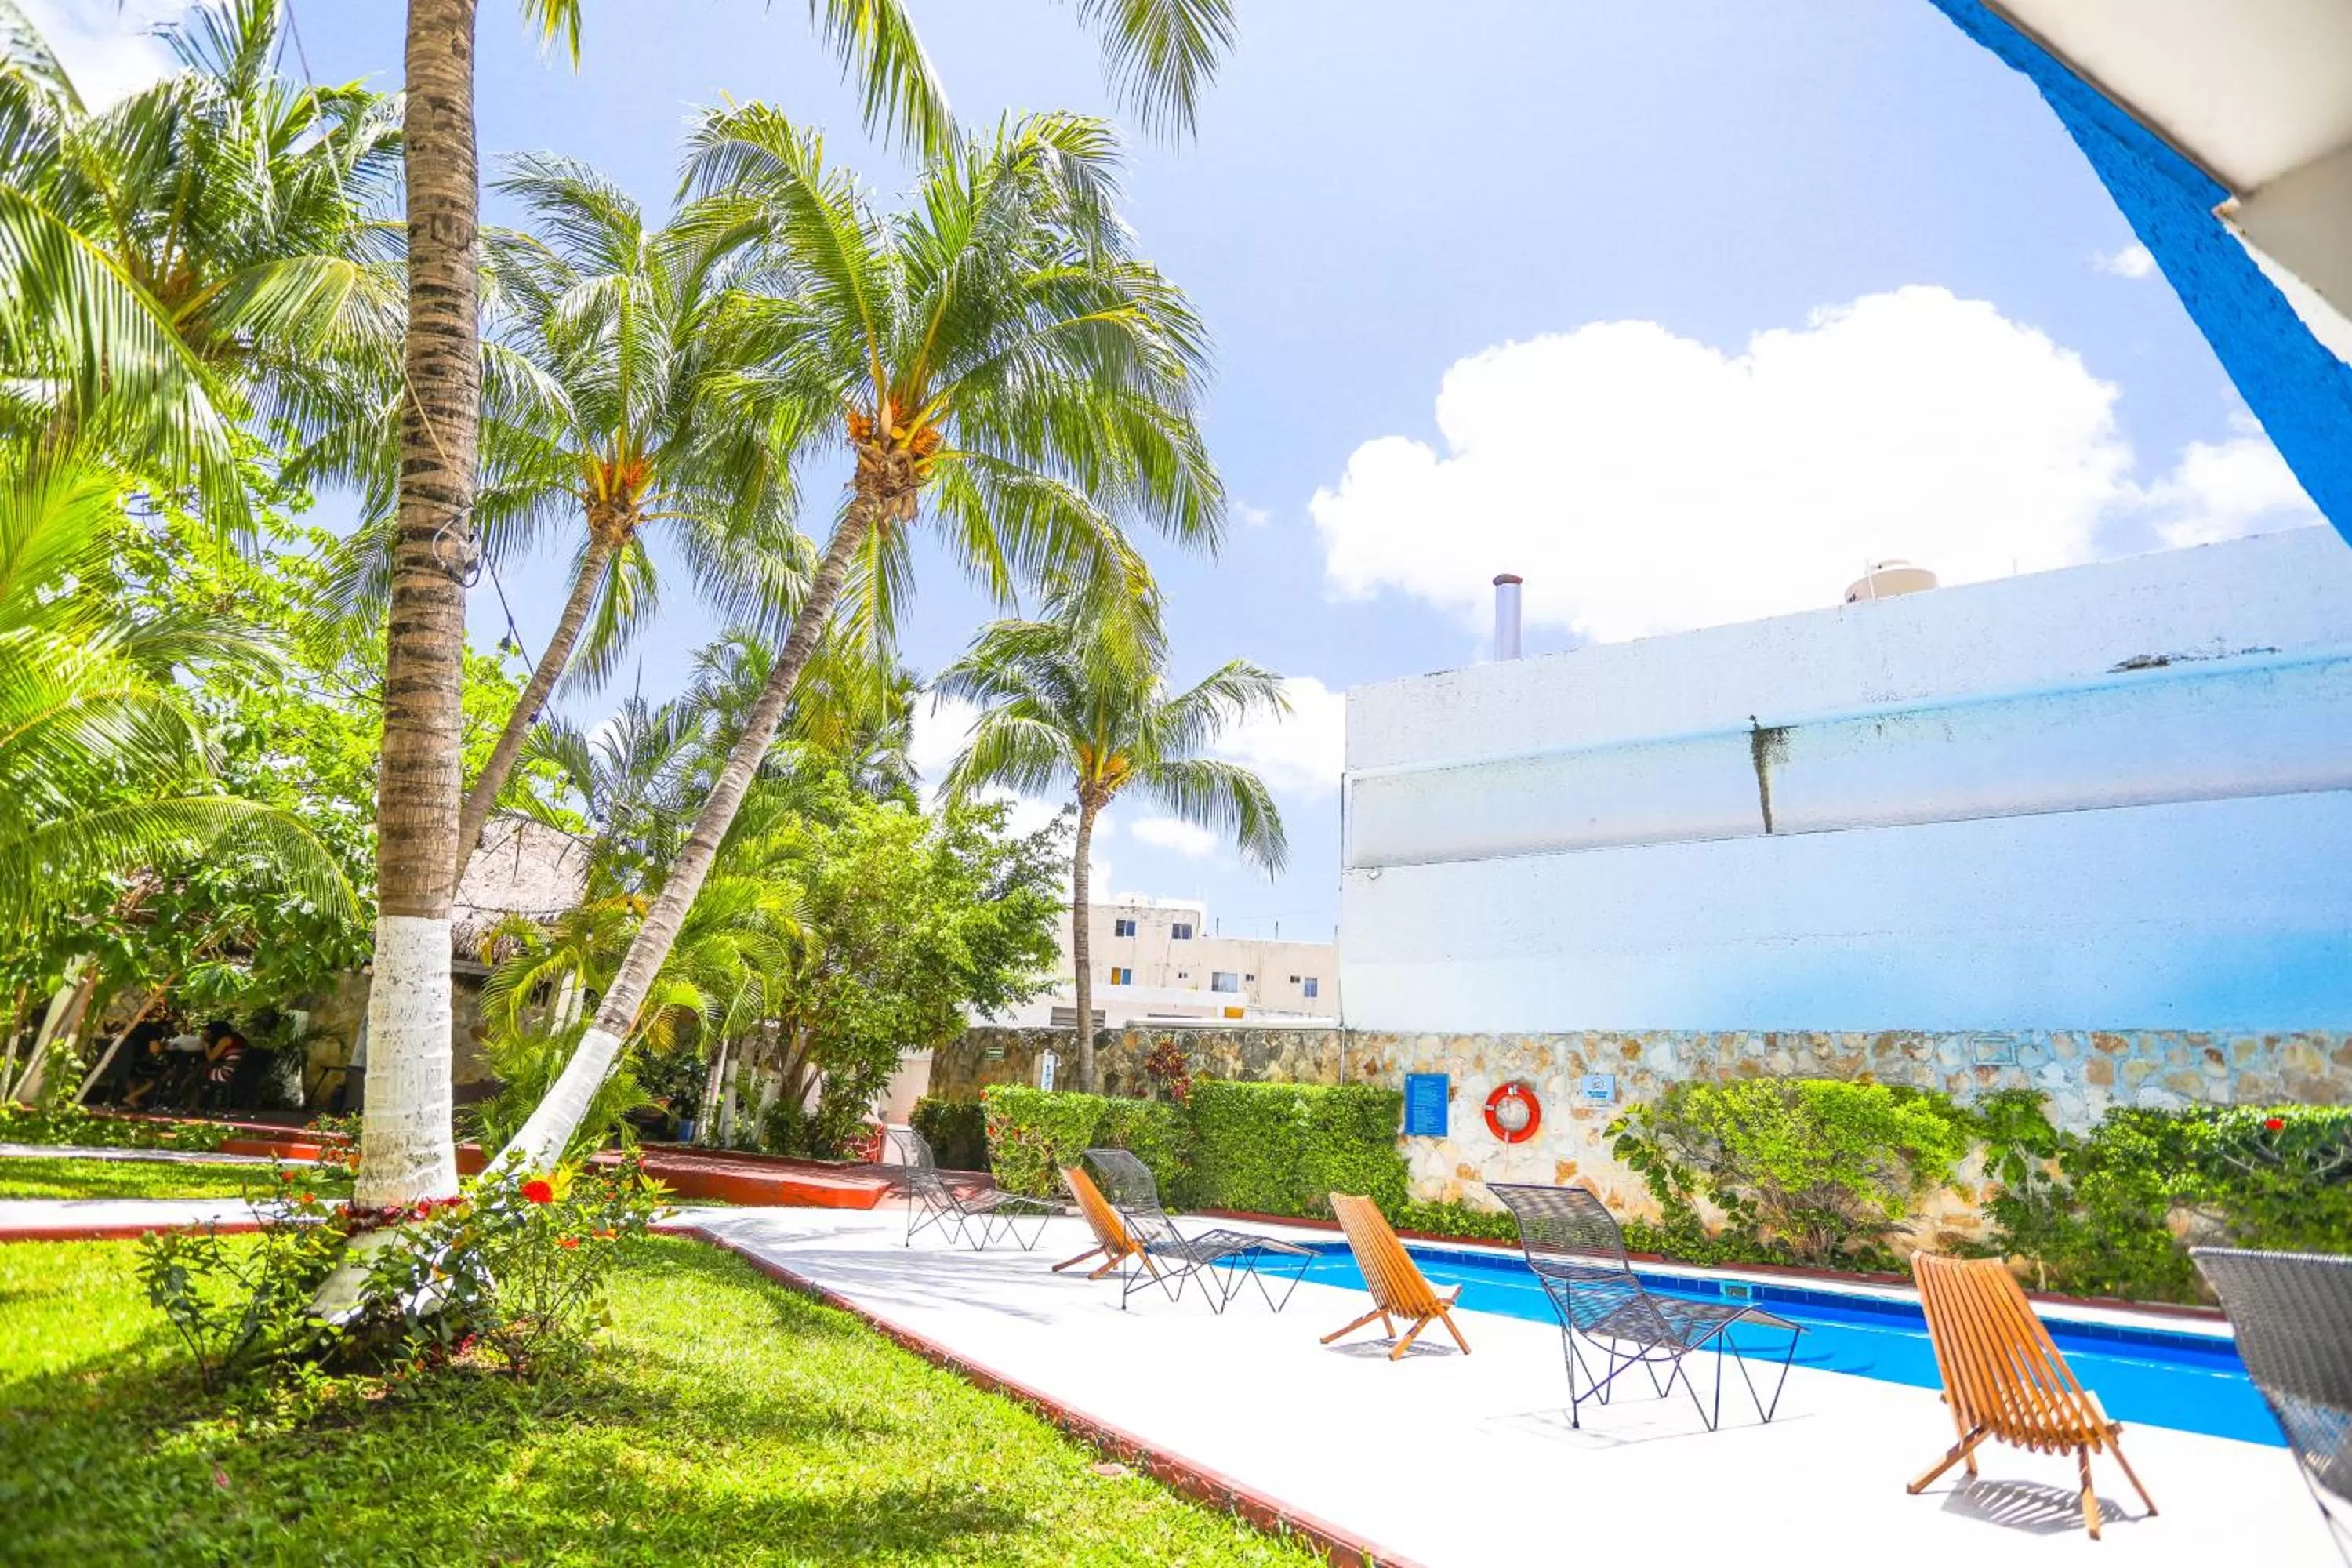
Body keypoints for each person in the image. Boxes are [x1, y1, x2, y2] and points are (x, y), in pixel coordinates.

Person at [198, 1019, 248, 1109]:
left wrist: (206, 1044)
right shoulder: (239, 1039)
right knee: (202, 1070)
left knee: (200, 1073)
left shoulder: (225, 1040)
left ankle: (197, 1105)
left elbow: (211, 1058)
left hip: (226, 1074)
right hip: (240, 1072)